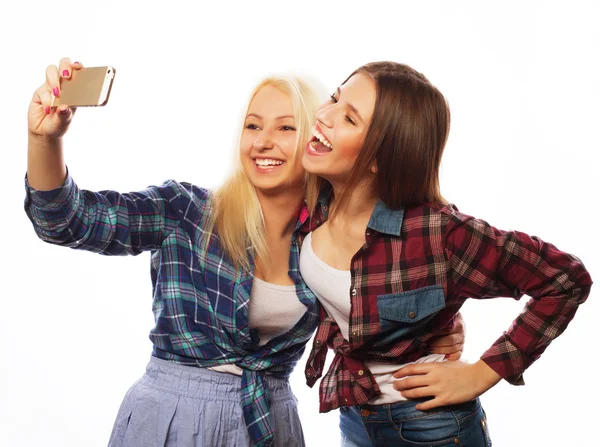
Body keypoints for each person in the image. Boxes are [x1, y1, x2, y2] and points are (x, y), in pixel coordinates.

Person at [24, 59, 466, 447]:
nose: (263, 141)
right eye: (253, 125)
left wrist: (439, 326)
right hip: (171, 420)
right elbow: (67, 220)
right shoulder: (186, 211)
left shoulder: (330, 242)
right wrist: (45, 138)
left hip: (270, 421)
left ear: (316, 138)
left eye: (286, 127)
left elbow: (394, 289)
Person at [299, 61, 593, 446]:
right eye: (335, 97)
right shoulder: (311, 202)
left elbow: (566, 279)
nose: (323, 115)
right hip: (355, 416)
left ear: (379, 158)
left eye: (350, 119)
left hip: (430, 424)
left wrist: (483, 372)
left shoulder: (439, 233)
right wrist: (444, 321)